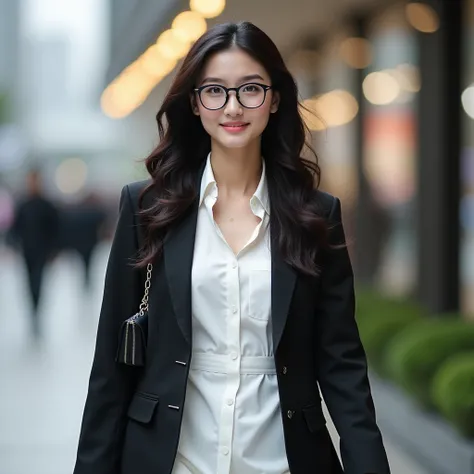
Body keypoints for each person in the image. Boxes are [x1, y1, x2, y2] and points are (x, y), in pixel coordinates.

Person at [74, 22, 390, 474]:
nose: (233, 107)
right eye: (215, 91)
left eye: (251, 89)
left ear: (275, 98)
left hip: (283, 460)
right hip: (175, 460)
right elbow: (110, 366)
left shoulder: (316, 214)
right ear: (195, 102)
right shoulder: (147, 209)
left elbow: (341, 364)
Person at [9, 169, 59, 337]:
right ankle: (32, 310)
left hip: (42, 252)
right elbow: (15, 228)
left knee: (38, 281)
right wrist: (15, 244)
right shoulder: (23, 204)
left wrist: (54, 249)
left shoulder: (46, 204)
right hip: (27, 251)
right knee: (29, 282)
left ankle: (37, 310)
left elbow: (55, 228)